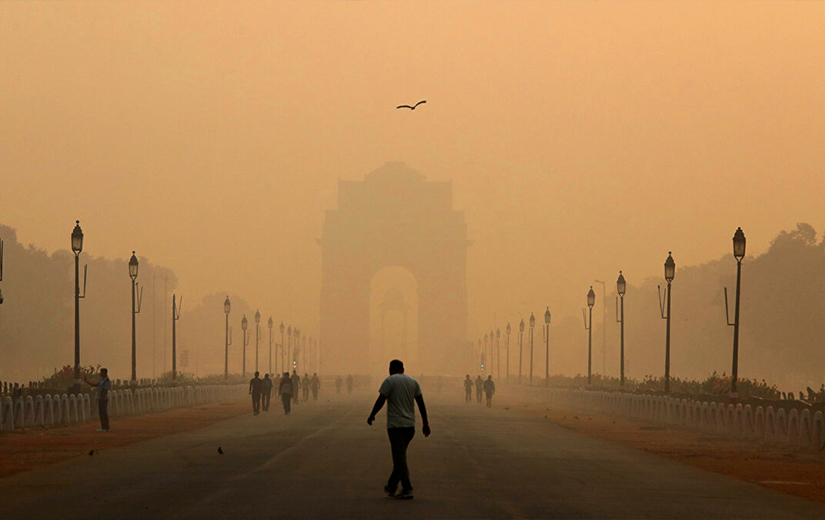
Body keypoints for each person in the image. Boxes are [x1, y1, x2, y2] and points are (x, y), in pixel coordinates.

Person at [367, 359, 430, 500]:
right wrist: (425, 423)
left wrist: (372, 414)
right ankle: (391, 486)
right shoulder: (413, 382)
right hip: (409, 427)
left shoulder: (390, 381)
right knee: (400, 458)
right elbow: (421, 403)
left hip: (395, 426)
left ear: (392, 368)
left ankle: (407, 488)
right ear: (403, 368)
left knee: (399, 459)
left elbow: (381, 400)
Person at [84, 368, 111, 432]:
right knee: (101, 413)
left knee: (103, 413)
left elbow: (105, 390)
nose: (100, 373)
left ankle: (105, 427)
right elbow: (95, 385)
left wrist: (102, 398)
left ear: (104, 373)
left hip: (103, 399)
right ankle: (104, 426)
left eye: (101, 372)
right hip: (101, 398)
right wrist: (87, 381)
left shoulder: (106, 381)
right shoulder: (103, 380)